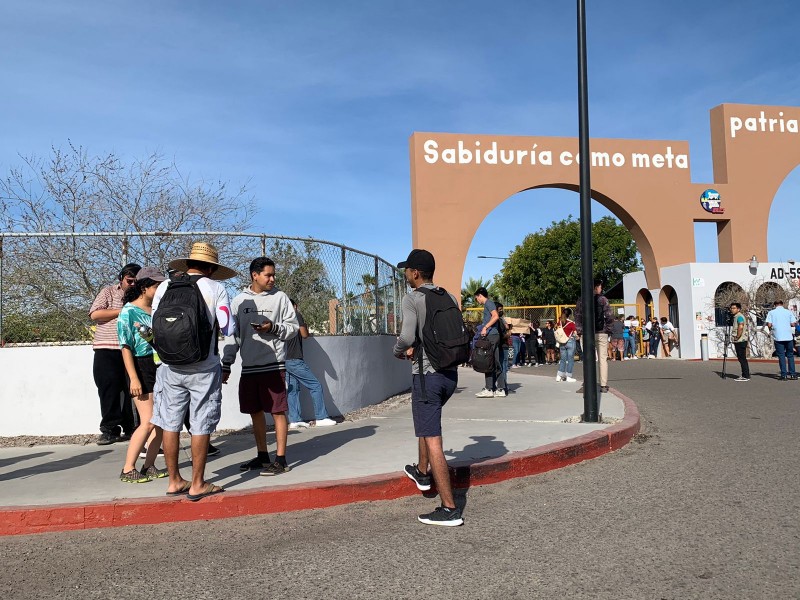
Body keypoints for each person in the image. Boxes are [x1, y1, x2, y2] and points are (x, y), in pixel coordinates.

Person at [151, 242, 235, 500]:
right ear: (211, 267)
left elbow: (154, 323)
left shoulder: (165, 286)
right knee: (200, 423)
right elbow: (227, 328)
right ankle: (198, 483)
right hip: (204, 366)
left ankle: (174, 480)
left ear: (187, 264)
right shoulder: (216, 288)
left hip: (169, 365)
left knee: (170, 423)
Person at [393, 249, 463, 526]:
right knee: (427, 423)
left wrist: (399, 350)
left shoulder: (413, 298)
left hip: (427, 377)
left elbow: (407, 336)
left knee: (433, 438)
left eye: (407, 271)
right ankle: (422, 471)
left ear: (415, 273)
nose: (406, 275)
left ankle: (449, 508)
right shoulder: (449, 296)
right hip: (450, 376)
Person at [222, 257, 299, 476]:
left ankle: (281, 459)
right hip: (249, 368)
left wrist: (272, 327)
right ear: (254, 275)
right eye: (268, 275)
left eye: (273, 274)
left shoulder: (280, 298)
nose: (272, 279)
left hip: (273, 366)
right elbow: (232, 336)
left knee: (277, 411)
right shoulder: (239, 301)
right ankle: (263, 456)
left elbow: (292, 328)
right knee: (254, 411)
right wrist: (226, 364)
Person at [117, 267, 168, 483]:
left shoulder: (157, 310)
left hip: (160, 366)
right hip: (140, 366)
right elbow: (125, 346)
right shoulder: (128, 311)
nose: (160, 290)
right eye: (157, 286)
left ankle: (149, 466)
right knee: (147, 421)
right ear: (144, 287)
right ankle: (128, 469)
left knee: (161, 422)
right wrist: (134, 378)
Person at [89, 263, 140, 445]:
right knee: (108, 389)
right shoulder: (108, 292)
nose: (133, 284)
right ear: (121, 278)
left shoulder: (140, 294)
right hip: (106, 348)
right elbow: (95, 314)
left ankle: (131, 427)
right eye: (130, 280)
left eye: (136, 281)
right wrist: (123, 311)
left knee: (132, 390)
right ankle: (110, 429)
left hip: (132, 349)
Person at [285, 299, 337, 430]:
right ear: (295, 306)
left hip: (284, 360)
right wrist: (303, 323)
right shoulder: (295, 315)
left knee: (293, 390)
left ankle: (295, 419)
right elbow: (305, 335)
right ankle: (321, 417)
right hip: (295, 359)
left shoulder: (281, 319)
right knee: (315, 386)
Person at [574, 278, 614, 393]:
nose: (601, 289)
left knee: (587, 359)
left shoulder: (582, 300)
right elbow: (610, 316)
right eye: (600, 287)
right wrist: (607, 330)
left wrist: (580, 331)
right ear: (596, 287)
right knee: (602, 359)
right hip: (601, 333)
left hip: (586, 333)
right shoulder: (603, 300)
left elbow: (577, 316)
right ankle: (603, 385)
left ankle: (587, 384)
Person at [473, 287, 505, 398]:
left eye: (477, 298)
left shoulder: (489, 303)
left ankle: (493, 388)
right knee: (492, 362)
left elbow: (495, 316)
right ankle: (494, 388)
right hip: (491, 336)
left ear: (480, 296)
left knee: (489, 362)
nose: (477, 300)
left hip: (491, 336)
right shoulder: (488, 304)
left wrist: (485, 327)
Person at [765, 299, 798, 380]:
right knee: (790, 355)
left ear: (774, 305)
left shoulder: (771, 312)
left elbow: (769, 324)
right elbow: (793, 323)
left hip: (778, 336)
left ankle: (784, 375)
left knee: (781, 356)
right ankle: (793, 374)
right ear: (782, 304)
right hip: (788, 336)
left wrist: (772, 328)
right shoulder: (788, 312)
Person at [729, 302, 750, 382]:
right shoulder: (736, 317)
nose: (732, 310)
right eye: (731, 308)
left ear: (738, 309)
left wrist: (737, 336)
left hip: (740, 340)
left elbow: (740, 327)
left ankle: (745, 375)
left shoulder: (739, 317)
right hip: (740, 340)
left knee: (742, 358)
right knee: (741, 358)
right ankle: (745, 374)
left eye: (734, 308)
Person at [556, 308, 577, 383]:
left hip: (562, 342)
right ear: (570, 315)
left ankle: (559, 376)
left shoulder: (560, 322)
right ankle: (568, 376)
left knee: (563, 359)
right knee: (570, 359)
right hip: (570, 341)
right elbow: (575, 333)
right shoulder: (571, 323)